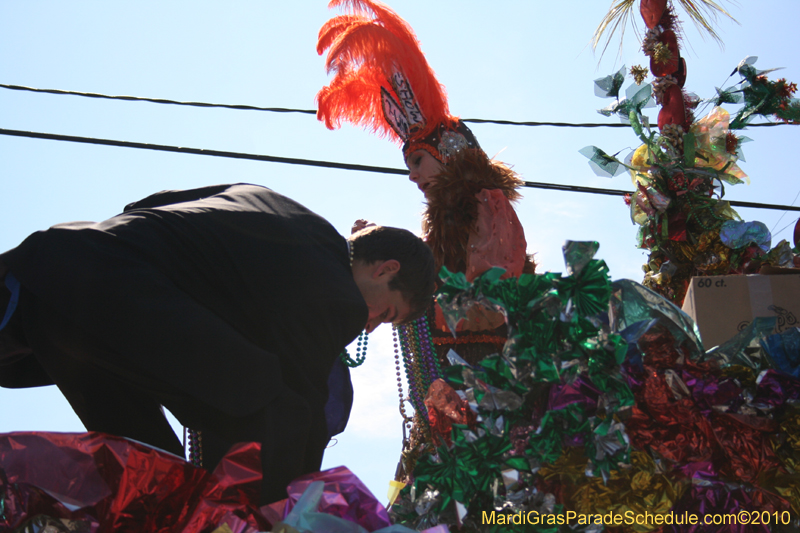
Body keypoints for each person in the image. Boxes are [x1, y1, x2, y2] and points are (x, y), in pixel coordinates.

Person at [0, 182, 436, 504]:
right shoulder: (337, 292)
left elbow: (147, 205)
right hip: (106, 305)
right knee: (269, 410)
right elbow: (298, 403)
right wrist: (289, 508)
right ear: (384, 269)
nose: (371, 326)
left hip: (53, 278)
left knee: (151, 477)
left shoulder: (267, 201)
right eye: (386, 313)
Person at [316, 0, 534, 480]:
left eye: (417, 161)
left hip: (489, 387)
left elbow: (493, 295)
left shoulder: (487, 206)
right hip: (454, 391)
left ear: (450, 150)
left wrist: (409, 286)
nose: (412, 177)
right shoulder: (445, 226)